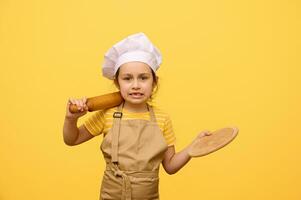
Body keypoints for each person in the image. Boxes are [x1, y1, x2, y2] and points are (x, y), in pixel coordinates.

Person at [63, 32, 211, 200]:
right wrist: (71, 118)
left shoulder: (162, 119)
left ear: (154, 82)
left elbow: (170, 166)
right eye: (127, 78)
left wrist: (193, 148)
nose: (135, 85)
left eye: (143, 78)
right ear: (117, 83)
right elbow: (72, 139)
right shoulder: (108, 114)